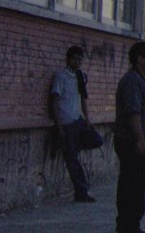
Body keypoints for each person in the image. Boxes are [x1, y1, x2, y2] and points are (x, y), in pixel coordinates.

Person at [114, 41, 145, 233]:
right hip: (131, 142)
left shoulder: (141, 80)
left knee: (138, 184)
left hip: (139, 142)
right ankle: (127, 226)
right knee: (131, 185)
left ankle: (132, 225)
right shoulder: (132, 81)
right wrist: (140, 140)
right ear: (140, 58)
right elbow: (134, 113)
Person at [50, 45, 96, 202]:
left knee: (96, 140)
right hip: (66, 123)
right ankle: (81, 191)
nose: (77, 62)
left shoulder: (80, 76)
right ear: (67, 59)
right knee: (72, 160)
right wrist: (59, 126)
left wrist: (87, 118)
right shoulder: (60, 77)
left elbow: (83, 98)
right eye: (75, 59)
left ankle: (82, 189)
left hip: (78, 121)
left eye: (80, 60)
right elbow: (55, 101)